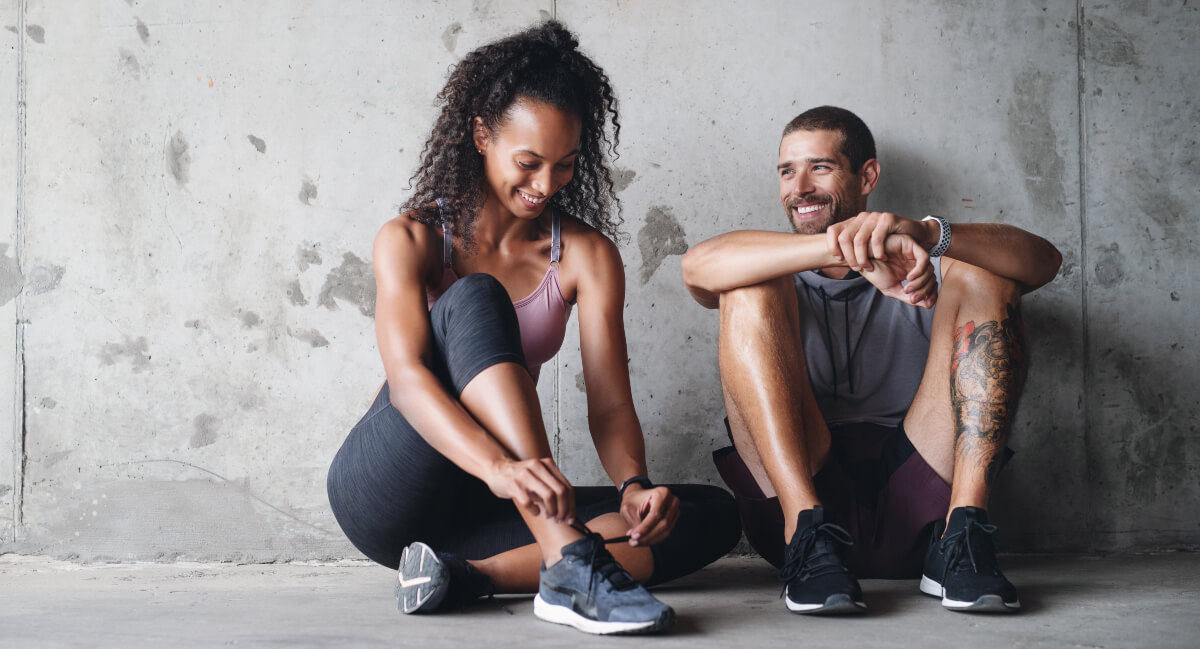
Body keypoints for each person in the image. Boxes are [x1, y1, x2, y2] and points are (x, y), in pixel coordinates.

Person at [325, 21, 740, 636]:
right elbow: (408, 381)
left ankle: (468, 574)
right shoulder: (412, 238)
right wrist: (497, 467)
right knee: (476, 297)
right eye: (528, 162)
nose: (545, 186)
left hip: (492, 507)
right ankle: (570, 563)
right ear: (481, 136)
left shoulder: (586, 255)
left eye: (566, 165)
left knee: (704, 513)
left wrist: (634, 484)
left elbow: (609, 401)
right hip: (394, 483)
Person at [681, 106, 1062, 615]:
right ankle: (807, 532)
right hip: (799, 500)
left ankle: (965, 533)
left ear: (867, 176)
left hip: (921, 502)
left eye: (820, 167)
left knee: (984, 273)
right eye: (786, 171)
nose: (800, 186)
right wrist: (839, 250)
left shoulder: (921, 258)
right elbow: (698, 268)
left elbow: (1044, 263)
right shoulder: (770, 266)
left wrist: (924, 235)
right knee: (747, 288)